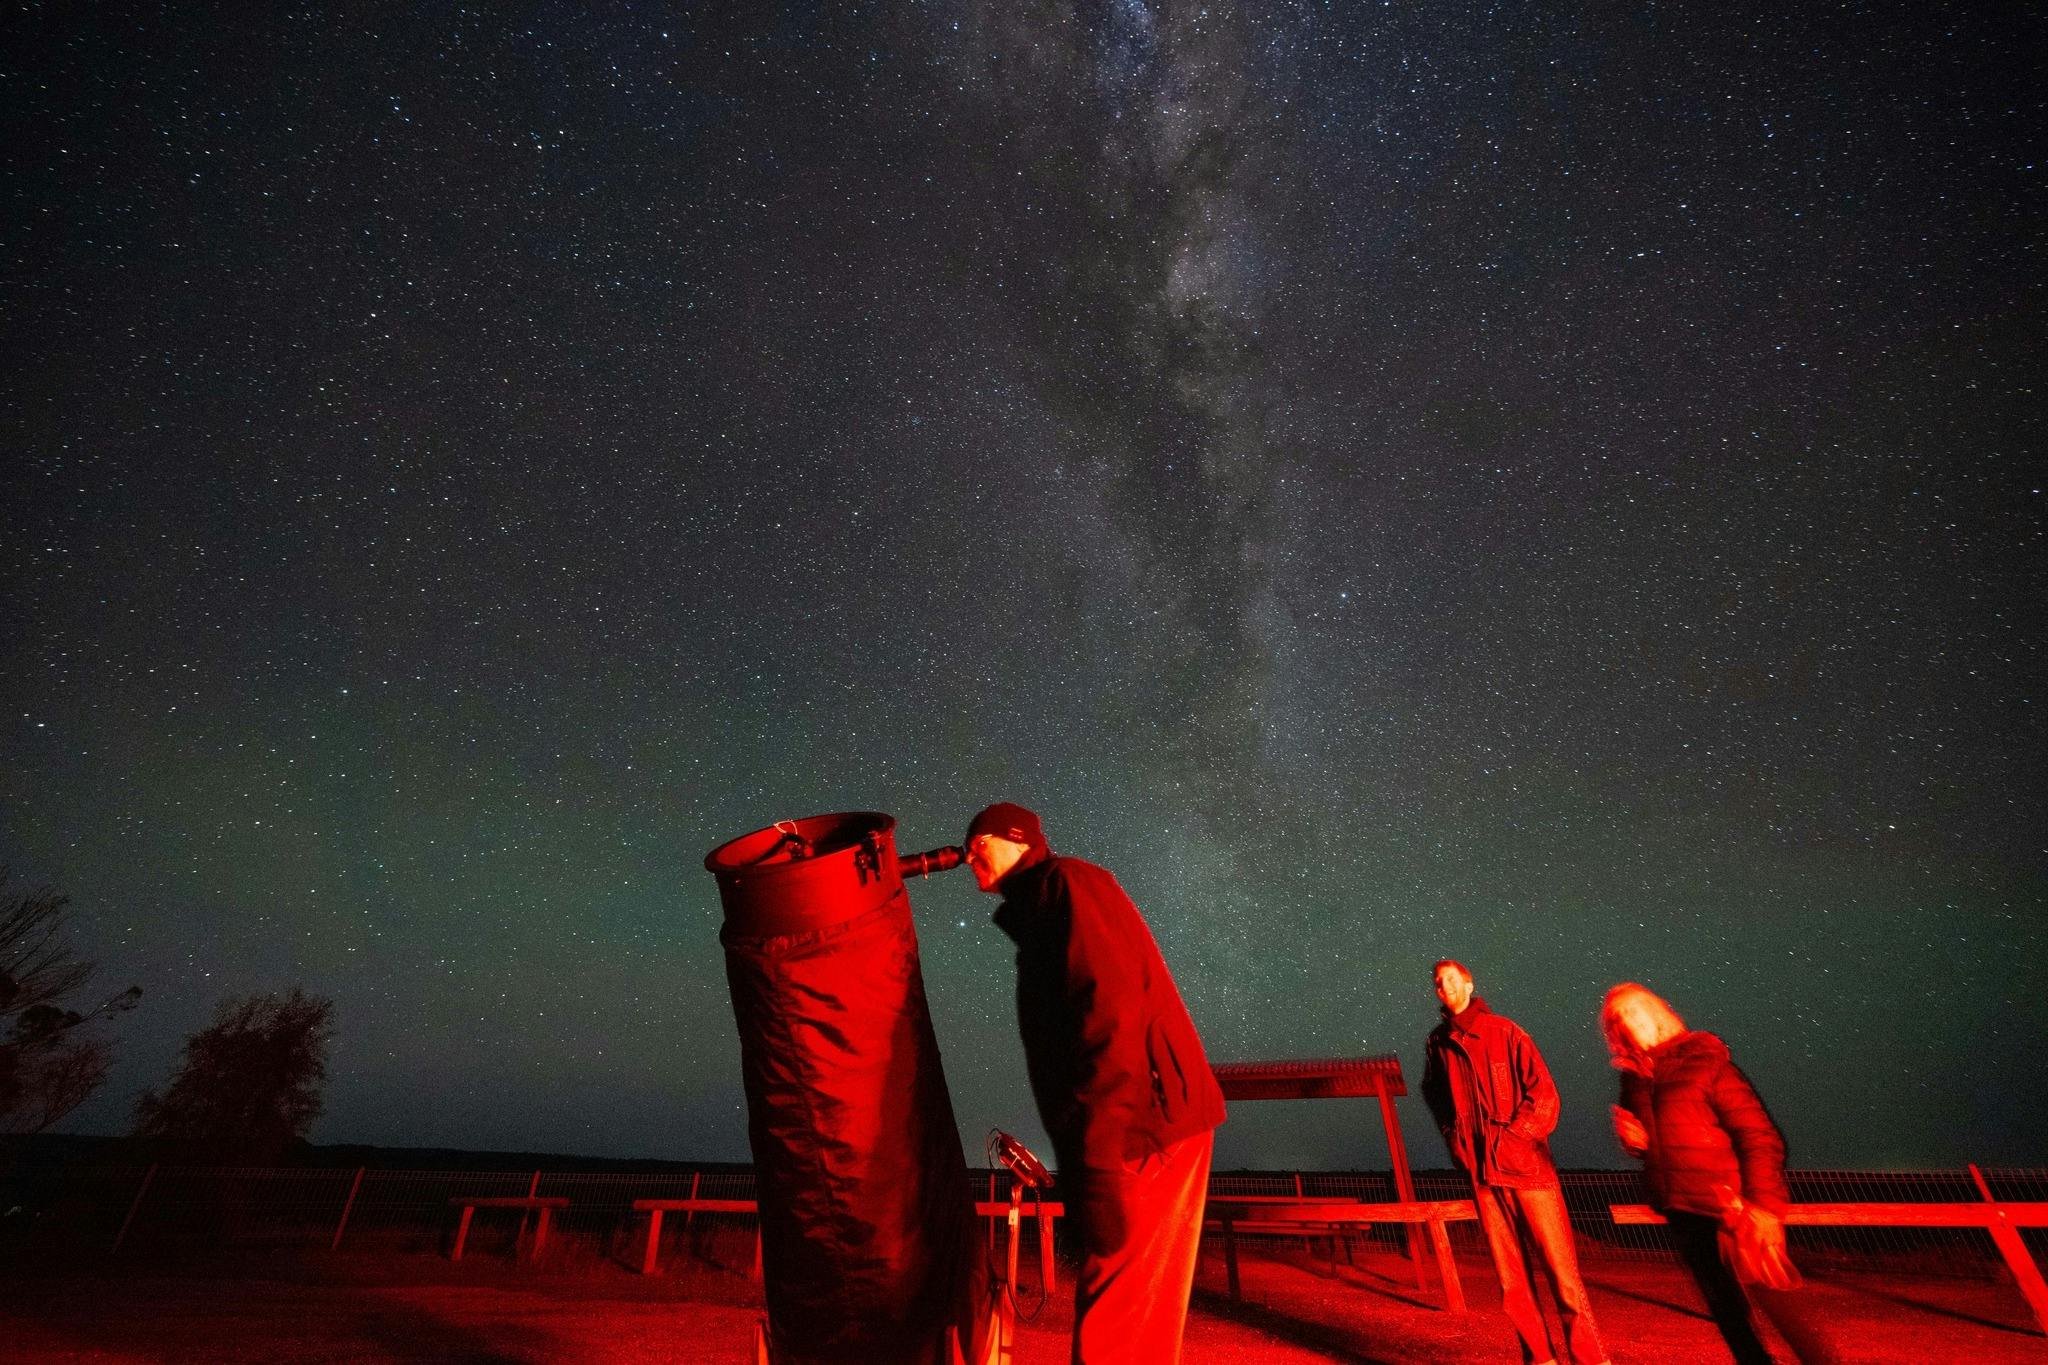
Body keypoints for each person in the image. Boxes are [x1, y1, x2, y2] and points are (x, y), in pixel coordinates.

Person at [964, 802, 1226, 1365]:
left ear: (1014, 839)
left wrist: (1099, 1159)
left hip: (1146, 1124)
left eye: (977, 842)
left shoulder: (1067, 885)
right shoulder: (1046, 904)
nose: (966, 855)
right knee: (1133, 1317)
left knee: (1120, 1319)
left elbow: (1107, 1013)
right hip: (1140, 1120)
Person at [1600, 983, 1842, 1365]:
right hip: (1681, 1209)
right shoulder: (1633, 1079)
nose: (1629, 1021)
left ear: (1657, 1012)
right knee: (1726, 1310)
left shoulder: (1704, 1060)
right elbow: (1654, 1143)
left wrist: (1764, 1206)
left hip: (1731, 1205)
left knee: (1778, 1305)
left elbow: (1759, 1134)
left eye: (1635, 1010)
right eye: (1619, 1017)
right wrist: (1634, 1142)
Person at [1422, 960, 1612, 1365]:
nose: (1446, 987)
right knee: (1513, 1284)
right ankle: (1540, 1359)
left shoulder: (1505, 1031)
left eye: (1453, 979)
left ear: (1470, 984)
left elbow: (1545, 1097)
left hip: (1528, 1172)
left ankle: (1591, 1360)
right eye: (1439, 983)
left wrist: (1512, 1139)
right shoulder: (1438, 1044)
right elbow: (1434, 1095)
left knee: (1563, 1278)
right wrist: (1454, 1138)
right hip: (1483, 1177)